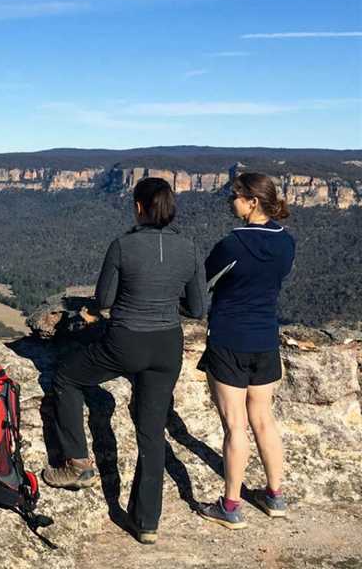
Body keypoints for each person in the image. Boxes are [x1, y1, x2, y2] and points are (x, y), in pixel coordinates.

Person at [42, 177, 206, 544]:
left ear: (138, 207)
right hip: (167, 347)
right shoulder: (190, 249)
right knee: (151, 433)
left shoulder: (123, 246)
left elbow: (103, 300)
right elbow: (197, 308)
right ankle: (146, 522)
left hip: (125, 342)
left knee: (67, 377)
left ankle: (77, 464)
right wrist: (165, 303)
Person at [196, 172, 295, 529]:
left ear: (252, 202)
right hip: (266, 339)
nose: (229, 202)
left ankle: (231, 505)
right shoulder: (287, 242)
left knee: (235, 425)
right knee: (264, 420)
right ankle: (274, 495)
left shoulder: (232, 245)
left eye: (235, 196)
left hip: (229, 340)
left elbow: (201, 284)